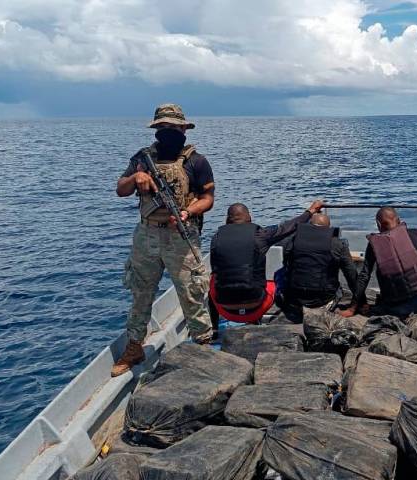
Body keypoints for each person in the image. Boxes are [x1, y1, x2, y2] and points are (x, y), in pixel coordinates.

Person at [113, 103, 215, 377]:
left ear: (184, 129)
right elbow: (120, 190)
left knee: (191, 292)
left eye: (173, 127)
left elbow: (208, 199)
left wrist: (187, 211)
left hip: (181, 236)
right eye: (163, 127)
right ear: (156, 129)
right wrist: (136, 176)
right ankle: (135, 347)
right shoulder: (141, 158)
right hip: (146, 235)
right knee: (140, 292)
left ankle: (203, 345)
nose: (168, 132)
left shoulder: (197, 161)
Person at [208, 200, 324, 327]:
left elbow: (215, 270)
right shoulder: (261, 235)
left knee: (213, 279)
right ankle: (271, 317)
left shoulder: (216, 238)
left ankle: (214, 329)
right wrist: (310, 211)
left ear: (226, 220)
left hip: (225, 309)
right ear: (250, 218)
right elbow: (289, 227)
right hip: (257, 305)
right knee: (277, 277)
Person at [340, 207, 417, 318]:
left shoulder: (374, 245)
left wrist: (352, 308)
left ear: (379, 225)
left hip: (397, 309)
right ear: (398, 220)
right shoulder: (416, 233)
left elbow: (364, 276)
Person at [277, 213, 358, 321]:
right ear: (328, 228)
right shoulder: (338, 244)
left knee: (279, 273)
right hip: (323, 302)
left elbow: (286, 263)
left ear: (309, 225)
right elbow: (351, 274)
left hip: (295, 302)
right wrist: (361, 302)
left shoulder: (292, 241)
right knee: (338, 286)